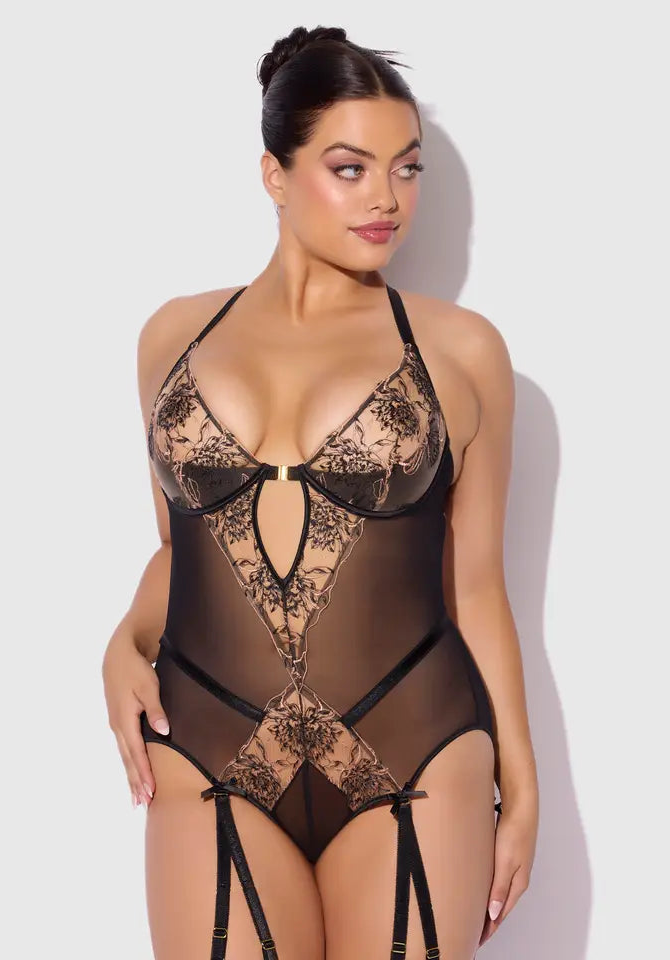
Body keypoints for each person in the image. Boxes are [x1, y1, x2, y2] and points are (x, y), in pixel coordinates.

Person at [102, 24, 539, 960]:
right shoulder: (171, 339)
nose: (388, 198)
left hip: (416, 751)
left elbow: (477, 589)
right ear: (275, 174)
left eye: (408, 169)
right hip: (207, 751)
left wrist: (527, 791)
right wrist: (123, 640)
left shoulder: (461, 351)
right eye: (350, 169)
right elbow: (181, 552)